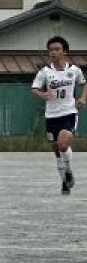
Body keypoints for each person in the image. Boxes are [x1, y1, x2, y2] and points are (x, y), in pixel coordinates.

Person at [31, 35, 85, 195]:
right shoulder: (45, 72)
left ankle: (68, 171)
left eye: (57, 49)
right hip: (51, 116)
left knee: (63, 144)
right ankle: (65, 181)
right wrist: (42, 94)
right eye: (51, 50)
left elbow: (84, 83)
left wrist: (82, 98)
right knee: (56, 151)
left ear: (65, 52)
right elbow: (34, 88)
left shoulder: (74, 70)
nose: (53, 53)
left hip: (69, 113)